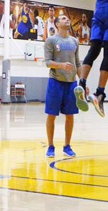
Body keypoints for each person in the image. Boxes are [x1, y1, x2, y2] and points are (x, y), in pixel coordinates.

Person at [44, 14, 83, 158]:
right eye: (63, 19)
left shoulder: (75, 41)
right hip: (55, 81)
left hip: (72, 83)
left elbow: (78, 63)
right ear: (57, 24)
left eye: (68, 18)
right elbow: (48, 62)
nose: (67, 20)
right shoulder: (51, 40)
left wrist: (83, 81)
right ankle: (50, 146)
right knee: (51, 115)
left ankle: (67, 146)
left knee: (70, 116)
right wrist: (61, 65)